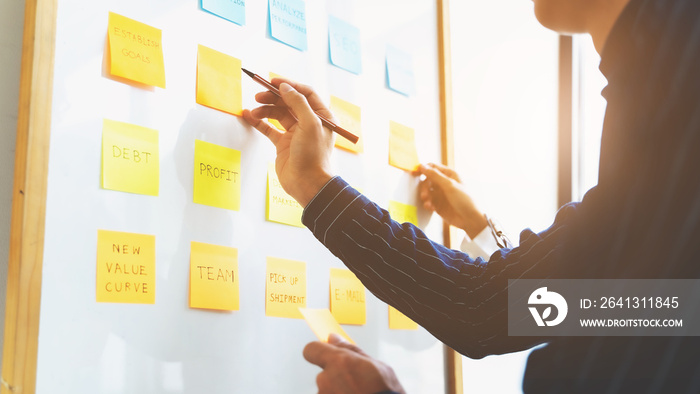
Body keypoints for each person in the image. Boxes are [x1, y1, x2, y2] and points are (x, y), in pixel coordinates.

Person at [243, 0, 700, 391]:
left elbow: (485, 309)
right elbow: (600, 307)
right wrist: (482, 232)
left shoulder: (676, 101)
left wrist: (314, 185)